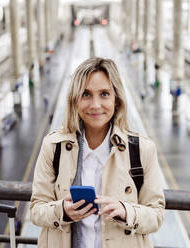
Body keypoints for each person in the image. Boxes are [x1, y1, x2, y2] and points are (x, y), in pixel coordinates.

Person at [30, 57, 165, 248]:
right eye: (86, 94)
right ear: (75, 99)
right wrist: (63, 211)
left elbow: (157, 215)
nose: (95, 105)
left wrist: (126, 211)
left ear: (116, 99)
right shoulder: (53, 147)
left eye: (104, 94)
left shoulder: (142, 150)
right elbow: (36, 209)